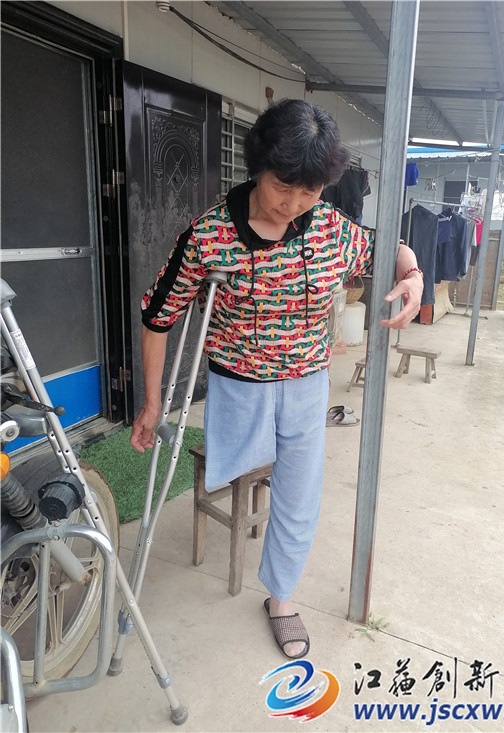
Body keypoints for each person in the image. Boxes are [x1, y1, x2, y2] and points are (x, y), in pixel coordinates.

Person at [130, 99, 423, 660]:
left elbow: (388, 247)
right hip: (239, 384)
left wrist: (411, 274)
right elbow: (157, 315)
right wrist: (150, 402)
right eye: (282, 187)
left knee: (298, 493)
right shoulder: (210, 235)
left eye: (308, 192)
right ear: (258, 167)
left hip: (309, 384)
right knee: (241, 472)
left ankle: (281, 599)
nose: (292, 204)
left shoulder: (330, 228)